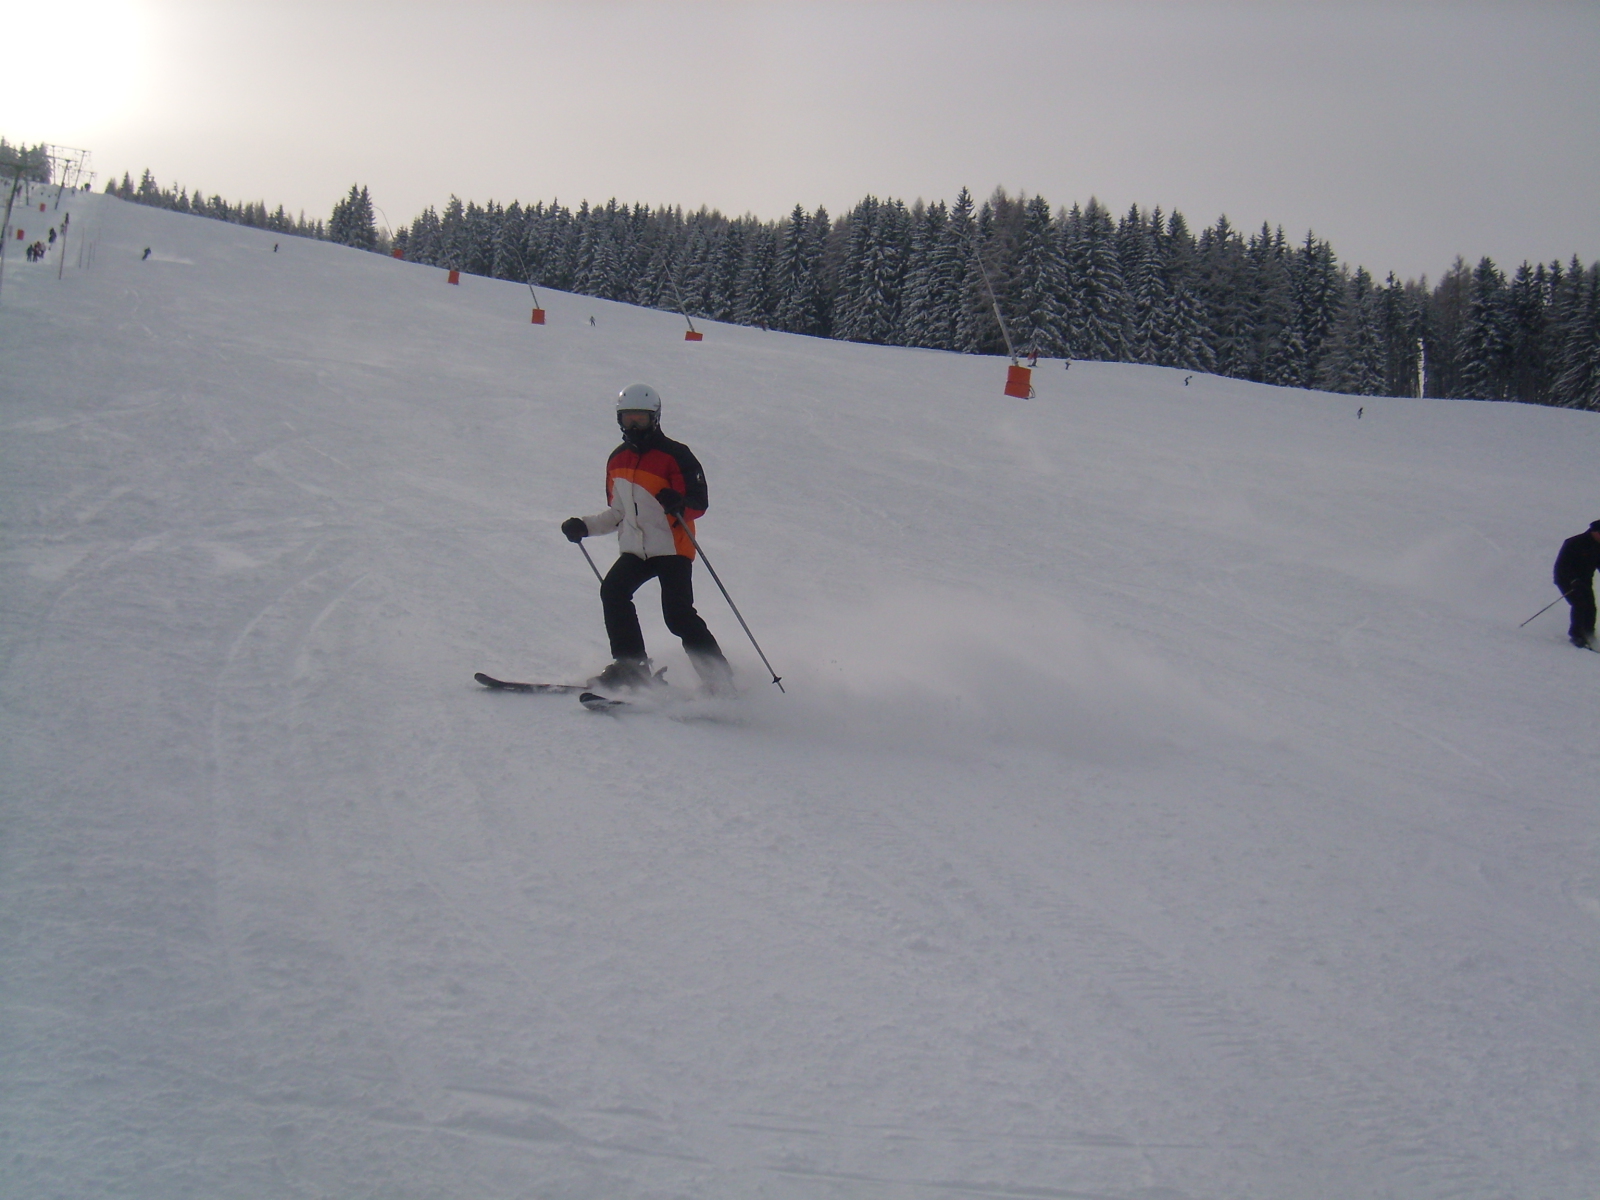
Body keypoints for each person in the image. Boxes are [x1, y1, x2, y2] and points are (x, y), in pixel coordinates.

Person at [561, 384, 734, 692]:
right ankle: (631, 667)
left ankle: (719, 680)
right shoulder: (617, 460)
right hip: (635, 550)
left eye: (640, 418)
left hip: (672, 548)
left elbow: (699, 502)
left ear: (655, 418)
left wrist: (679, 502)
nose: (634, 424)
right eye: (628, 418)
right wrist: (583, 527)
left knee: (678, 616)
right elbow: (618, 513)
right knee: (613, 592)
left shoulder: (675, 455)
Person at [1553, 520, 1600, 648]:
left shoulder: (1598, 546)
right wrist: (1573, 580)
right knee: (1579, 603)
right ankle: (1577, 635)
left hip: (1584, 580)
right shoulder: (1574, 543)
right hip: (1566, 579)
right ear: (1594, 532)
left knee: (1591, 606)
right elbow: (1562, 566)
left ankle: (1589, 634)